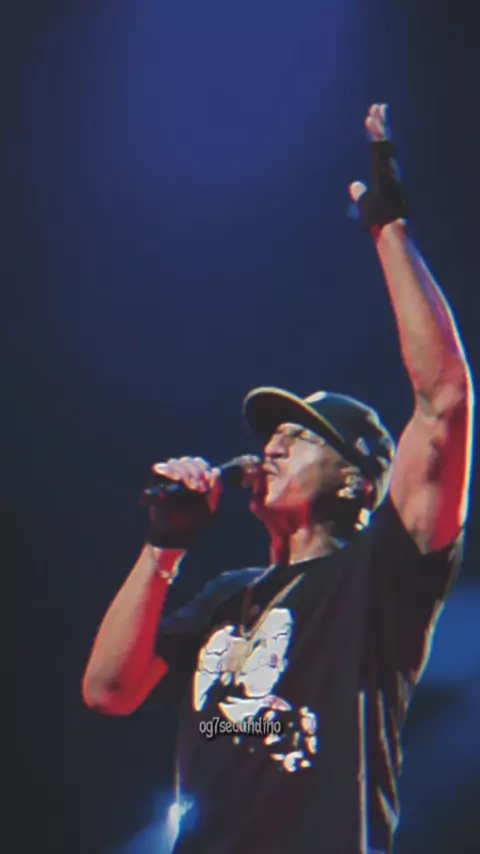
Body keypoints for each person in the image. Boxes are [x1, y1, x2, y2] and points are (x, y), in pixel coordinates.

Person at [82, 105, 474, 854]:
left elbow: (446, 401)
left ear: (357, 484)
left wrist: (387, 228)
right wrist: (163, 548)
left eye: (301, 436)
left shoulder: (383, 575)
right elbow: (108, 690)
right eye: (271, 436)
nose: (272, 445)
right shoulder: (227, 598)